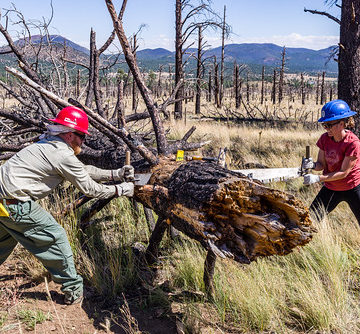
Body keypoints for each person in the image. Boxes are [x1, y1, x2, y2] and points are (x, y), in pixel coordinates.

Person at [0, 106, 134, 305]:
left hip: (3, 202)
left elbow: (80, 169)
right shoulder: (61, 154)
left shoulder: (49, 144)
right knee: (56, 237)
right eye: (82, 137)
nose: (83, 142)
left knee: (4, 241)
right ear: (70, 135)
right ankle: (74, 292)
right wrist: (121, 190)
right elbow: (91, 190)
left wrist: (115, 174)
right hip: (15, 204)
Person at [302, 99, 360, 224]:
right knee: (309, 221)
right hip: (331, 187)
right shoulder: (324, 139)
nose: (326, 128)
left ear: (342, 123)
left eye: (329, 125)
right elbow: (321, 164)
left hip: (353, 188)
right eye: (324, 125)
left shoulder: (353, 143)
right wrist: (312, 165)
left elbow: (343, 172)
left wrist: (317, 179)